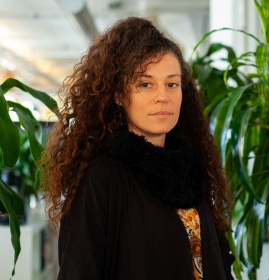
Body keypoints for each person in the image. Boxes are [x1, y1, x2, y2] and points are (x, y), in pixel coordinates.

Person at [40, 17, 235, 280]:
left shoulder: (191, 170)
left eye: (172, 84)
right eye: (145, 84)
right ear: (119, 95)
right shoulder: (101, 177)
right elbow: (80, 270)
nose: (162, 96)